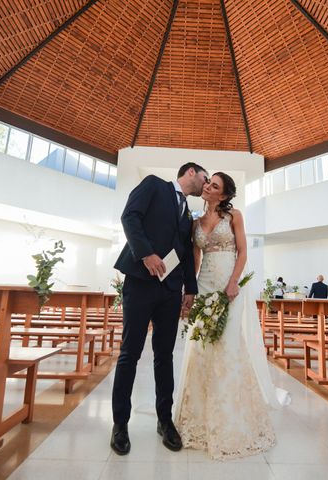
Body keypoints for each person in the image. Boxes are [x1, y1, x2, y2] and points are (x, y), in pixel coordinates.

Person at [174, 172, 289, 460]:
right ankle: (198, 418)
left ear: (223, 195)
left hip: (229, 287)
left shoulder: (234, 215)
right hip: (205, 285)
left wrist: (234, 281)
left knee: (227, 346)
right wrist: (191, 290)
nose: (208, 187)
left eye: (214, 185)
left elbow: (242, 251)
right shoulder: (195, 222)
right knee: (201, 346)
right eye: (208, 182)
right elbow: (196, 258)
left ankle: (230, 417)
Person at [111, 162, 209, 456]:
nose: (206, 185)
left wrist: (189, 289)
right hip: (141, 282)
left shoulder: (188, 214)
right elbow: (130, 216)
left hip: (170, 291)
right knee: (130, 353)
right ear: (191, 172)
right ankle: (120, 425)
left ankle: (165, 421)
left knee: (164, 356)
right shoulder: (154, 184)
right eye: (205, 178)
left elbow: (187, 253)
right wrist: (147, 254)